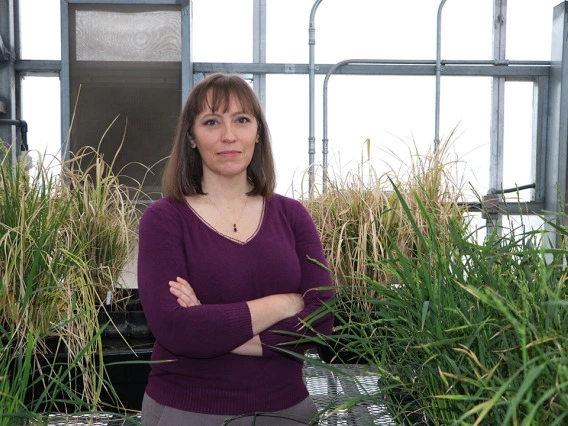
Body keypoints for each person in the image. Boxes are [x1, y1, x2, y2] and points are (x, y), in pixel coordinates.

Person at [137, 72, 335, 425]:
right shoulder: (165, 219)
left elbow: (322, 318)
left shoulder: (292, 215)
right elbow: (176, 329)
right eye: (212, 122)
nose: (228, 135)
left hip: (286, 411)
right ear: (192, 138)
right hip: (189, 412)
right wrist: (283, 304)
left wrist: (213, 327)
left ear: (257, 133)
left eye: (241, 120)